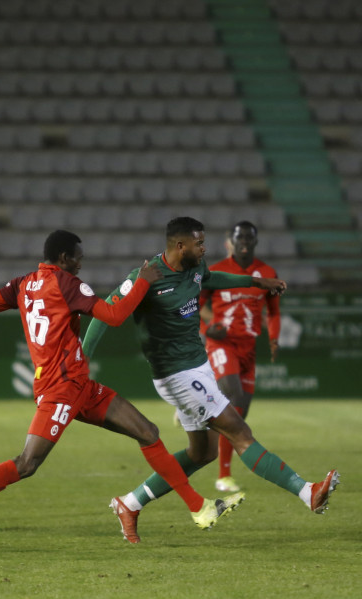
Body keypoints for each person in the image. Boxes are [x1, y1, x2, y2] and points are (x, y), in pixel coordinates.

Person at [0, 230, 243, 555]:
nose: (80, 264)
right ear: (63, 259)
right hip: (60, 389)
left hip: (80, 386)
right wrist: (143, 280)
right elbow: (114, 316)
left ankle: (199, 508)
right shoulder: (67, 284)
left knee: (148, 432)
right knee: (26, 464)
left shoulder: (21, 284)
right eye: (77, 258)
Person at [83, 217, 339, 544]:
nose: (204, 248)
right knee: (239, 432)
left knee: (202, 453)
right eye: (199, 243)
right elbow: (105, 314)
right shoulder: (146, 278)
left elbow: (213, 278)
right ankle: (308, 492)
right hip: (177, 374)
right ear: (180, 246)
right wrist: (83, 356)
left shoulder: (196, 267)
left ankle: (129, 504)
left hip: (197, 368)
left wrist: (256, 284)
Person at [199, 221, 281, 493]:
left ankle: (223, 472)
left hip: (248, 347)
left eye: (249, 237)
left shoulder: (267, 272)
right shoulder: (218, 270)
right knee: (233, 397)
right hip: (221, 343)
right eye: (239, 237)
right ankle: (222, 476)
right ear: (231, 241)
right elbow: (196, 305)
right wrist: (207, 329)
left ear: (256, 241)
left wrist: (273, 337)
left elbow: (274, 309)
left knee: (240, 413)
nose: (244, 241)